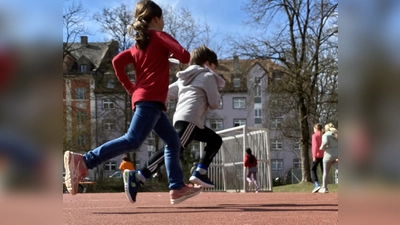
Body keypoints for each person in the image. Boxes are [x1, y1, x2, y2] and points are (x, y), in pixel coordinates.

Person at [63, 0, 202, 205]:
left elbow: (116, 61)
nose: (163, 22)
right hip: (150, 101)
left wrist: (130, 87)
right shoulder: (158, 36)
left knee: (173, 141)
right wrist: (169, 48)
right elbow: (185, 55)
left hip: (148, 101)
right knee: (133, 140)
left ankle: (177, 187)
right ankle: (84, 160)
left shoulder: (138, 46)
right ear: (156, 18)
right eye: (162, 18)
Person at [126, 45, 225, 189]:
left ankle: (200, 171)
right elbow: (215, 103)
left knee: (215, 139)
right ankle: (140, 175)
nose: (214, 70)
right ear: (208, 64)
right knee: (174, 148)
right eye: (214, 67)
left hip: (185, 119)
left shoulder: (184, 78)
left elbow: (165, 92)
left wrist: (143, 91)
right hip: (191, 119)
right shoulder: (208, 75)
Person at [318, 123, 338, 193]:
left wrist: (321, 148)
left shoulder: (325, 135)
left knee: (326, 172)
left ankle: (324, 188)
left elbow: (325, 142)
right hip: (337, 155)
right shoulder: (337, 134)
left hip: (328, 155)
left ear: (326, 129)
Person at [311, 123, 324, 193]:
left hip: (317, 155)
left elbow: (315, 146)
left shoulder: (314, 135)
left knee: (313, 169)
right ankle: (324, 185)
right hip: (324, 154)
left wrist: (314, 156)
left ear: (316, 129)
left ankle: (316, 184)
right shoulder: (323, 135)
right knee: (323, 170)